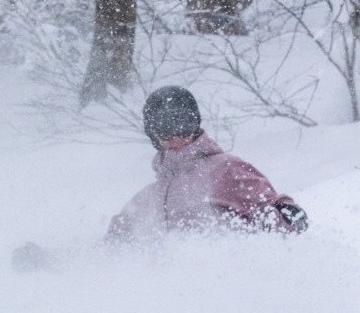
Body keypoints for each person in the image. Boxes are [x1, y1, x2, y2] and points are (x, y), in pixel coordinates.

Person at [106, 86, 308, 241]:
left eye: (183, 128)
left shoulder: (225, 169)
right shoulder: (152, 195)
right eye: (166, 131)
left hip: (226, 278)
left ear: (195, 126)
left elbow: (272, 207)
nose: (176, 139)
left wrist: (288, 215)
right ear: (154, 137)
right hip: (172, 289)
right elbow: (119, 235)